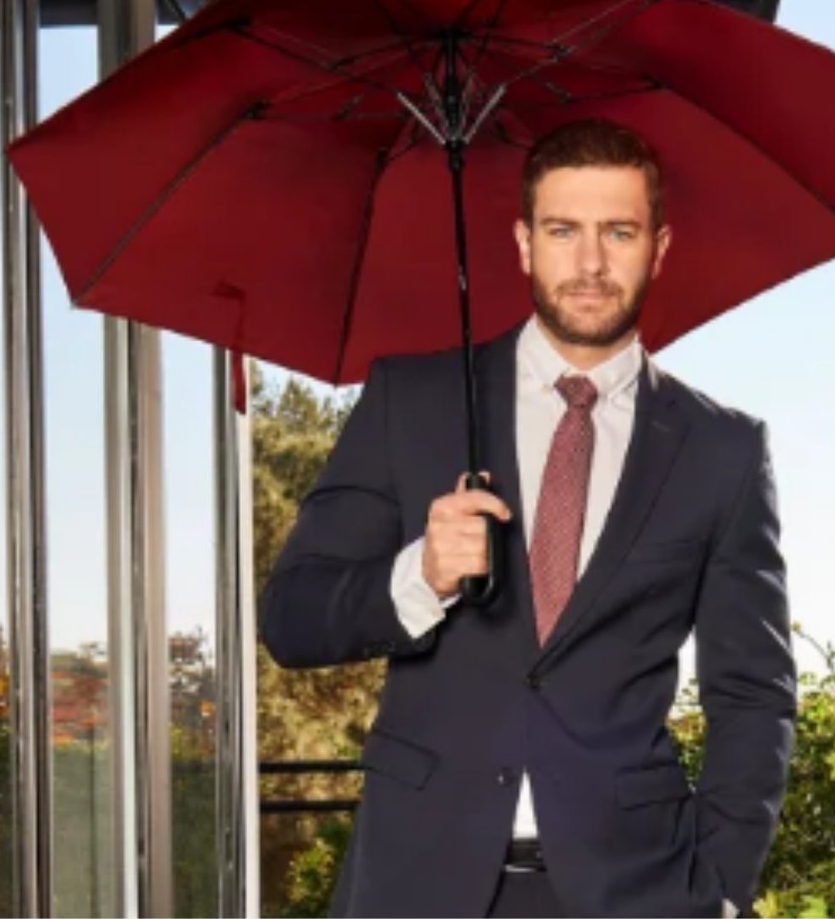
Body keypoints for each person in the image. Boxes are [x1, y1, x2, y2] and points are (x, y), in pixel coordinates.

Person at [260, 118, 797, 918]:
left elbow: (753, 692)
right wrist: (422, 575)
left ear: (659, 246)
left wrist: (719, 885)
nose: (589, 263)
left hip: (633, 890)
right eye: (562, 230)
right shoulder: (413, 403)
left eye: (618, 232)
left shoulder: (721, 449)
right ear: (522, 243)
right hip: (417, 883)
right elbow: (293, 620)